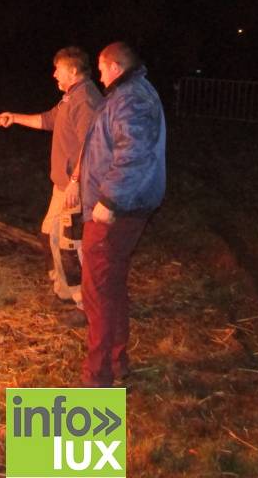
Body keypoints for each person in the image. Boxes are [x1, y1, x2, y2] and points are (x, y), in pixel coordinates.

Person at [75, 42, 166, 387]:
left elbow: (134, 153)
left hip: (117, 211)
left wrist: (110, 201)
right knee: (110, 288)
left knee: (98, 292)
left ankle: (97, 377)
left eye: (100, 67)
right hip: (124, 206)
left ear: (114, 66)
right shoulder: (127, 95)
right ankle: (116, 362)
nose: (98, 74)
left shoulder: (130, 99)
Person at [0, 47, 103, 319]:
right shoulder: (70, 98)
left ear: (74, 71)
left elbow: (90, 148)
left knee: (70, 245)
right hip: (63, 185)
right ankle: (65, 291)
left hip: (75, 188)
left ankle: (84, 303)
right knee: (50, 234)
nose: (54, 73)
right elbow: (47, 120)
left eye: (59, 69)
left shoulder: (86, 101)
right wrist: (14, 118)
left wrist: (75, 184)